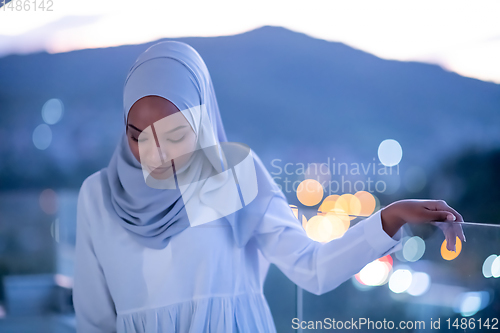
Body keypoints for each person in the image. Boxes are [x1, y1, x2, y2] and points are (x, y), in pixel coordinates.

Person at [72, 40, 465, 333]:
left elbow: (313, 269)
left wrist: (390, 218)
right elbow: (95, 321)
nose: (155, 155)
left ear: (203, 122)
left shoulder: (232, 175)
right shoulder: (97, 196)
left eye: (174, 135)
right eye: (137, 134)